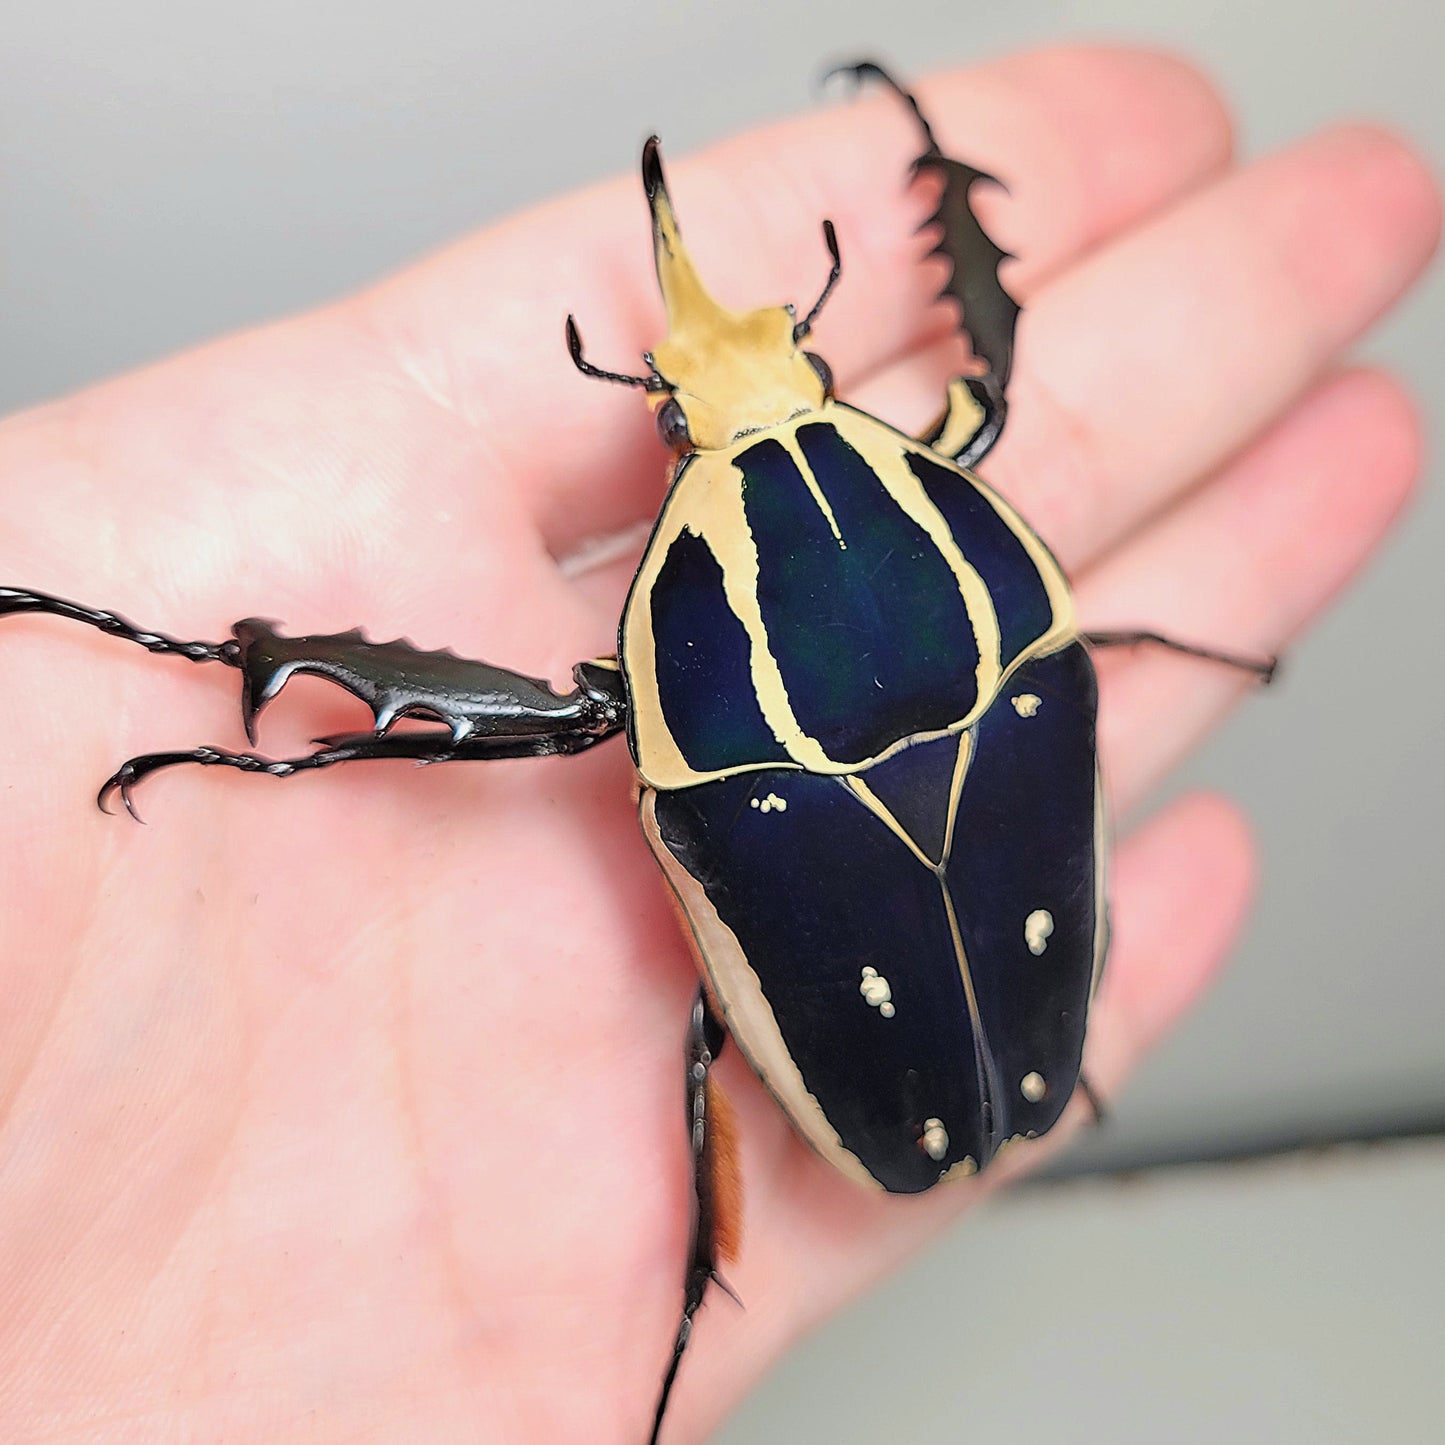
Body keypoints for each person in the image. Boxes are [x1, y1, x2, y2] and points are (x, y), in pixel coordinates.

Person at [0, 43, 1435, 1445]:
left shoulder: (670, 682)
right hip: (998, 1042)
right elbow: (989, 408)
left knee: (708, 1042)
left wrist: (247, 666)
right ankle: (688, 1301)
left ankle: (692, 1300)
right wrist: (939, 179)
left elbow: (542, 718)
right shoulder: (973, 511)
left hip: (927, 1060)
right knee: (709, 1036)